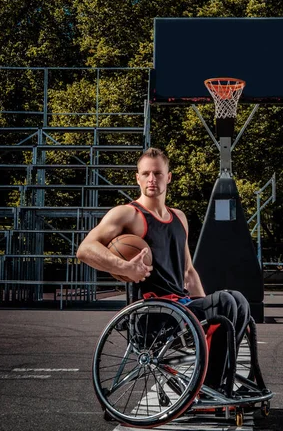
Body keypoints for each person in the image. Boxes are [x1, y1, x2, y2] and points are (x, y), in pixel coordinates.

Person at [76, 146, 252, 391]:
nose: (151, 179)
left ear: (168, 177)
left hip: (180, 310)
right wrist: (125, 267)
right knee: (224, 302)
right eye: (146, 173)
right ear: (137, 178)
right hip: (154, 315)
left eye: (157, 173)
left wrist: (202, 317)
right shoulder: (128, 214)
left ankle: (215, 382)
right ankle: (209, 389)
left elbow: (189, 272)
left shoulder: (179, 217)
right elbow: (85, 249)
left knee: (238, 301)